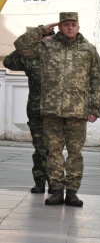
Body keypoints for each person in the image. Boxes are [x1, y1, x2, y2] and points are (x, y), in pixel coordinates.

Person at [14, 12, 100, 207]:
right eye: (65, 25)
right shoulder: (46, 47)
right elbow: (21, 46)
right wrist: (41, 30)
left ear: (78, 27)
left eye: (73, 24)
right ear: (60, 27)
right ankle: (56, 191)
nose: (70, 28)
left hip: (77, 111)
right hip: (52, 110)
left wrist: (95, 107)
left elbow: (98, 78)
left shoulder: (88, 50)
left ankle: (72, 192)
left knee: (75, 153)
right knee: (54, 152)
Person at [3, 28, 55, 194]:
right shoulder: (30, 59)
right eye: (43, 40)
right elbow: (9, 61)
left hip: (56, 112)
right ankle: (40, 182)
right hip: (36, 111)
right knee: (40, 149)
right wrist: (32, 38)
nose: (46, 44)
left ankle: (56, 184)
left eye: (49, 41)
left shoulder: (61, 59)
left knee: (55, 150)